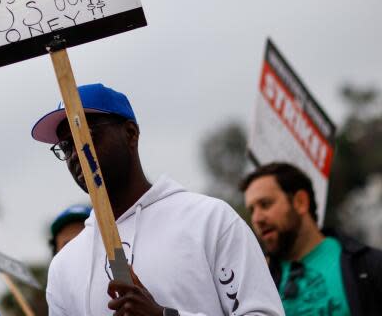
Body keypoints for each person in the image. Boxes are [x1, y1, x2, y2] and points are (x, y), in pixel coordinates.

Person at [31, 82, 283, 316]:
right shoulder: (64, 267)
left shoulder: (210, 221)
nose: (76, 153)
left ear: (130, 133)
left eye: (86, 135)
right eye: (66, 146)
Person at [240, 162, 382, 315]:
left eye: (265, 204)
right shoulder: (257, 284)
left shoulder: (367, 266)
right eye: (252, 210)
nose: (257, 219)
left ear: (300, 202)